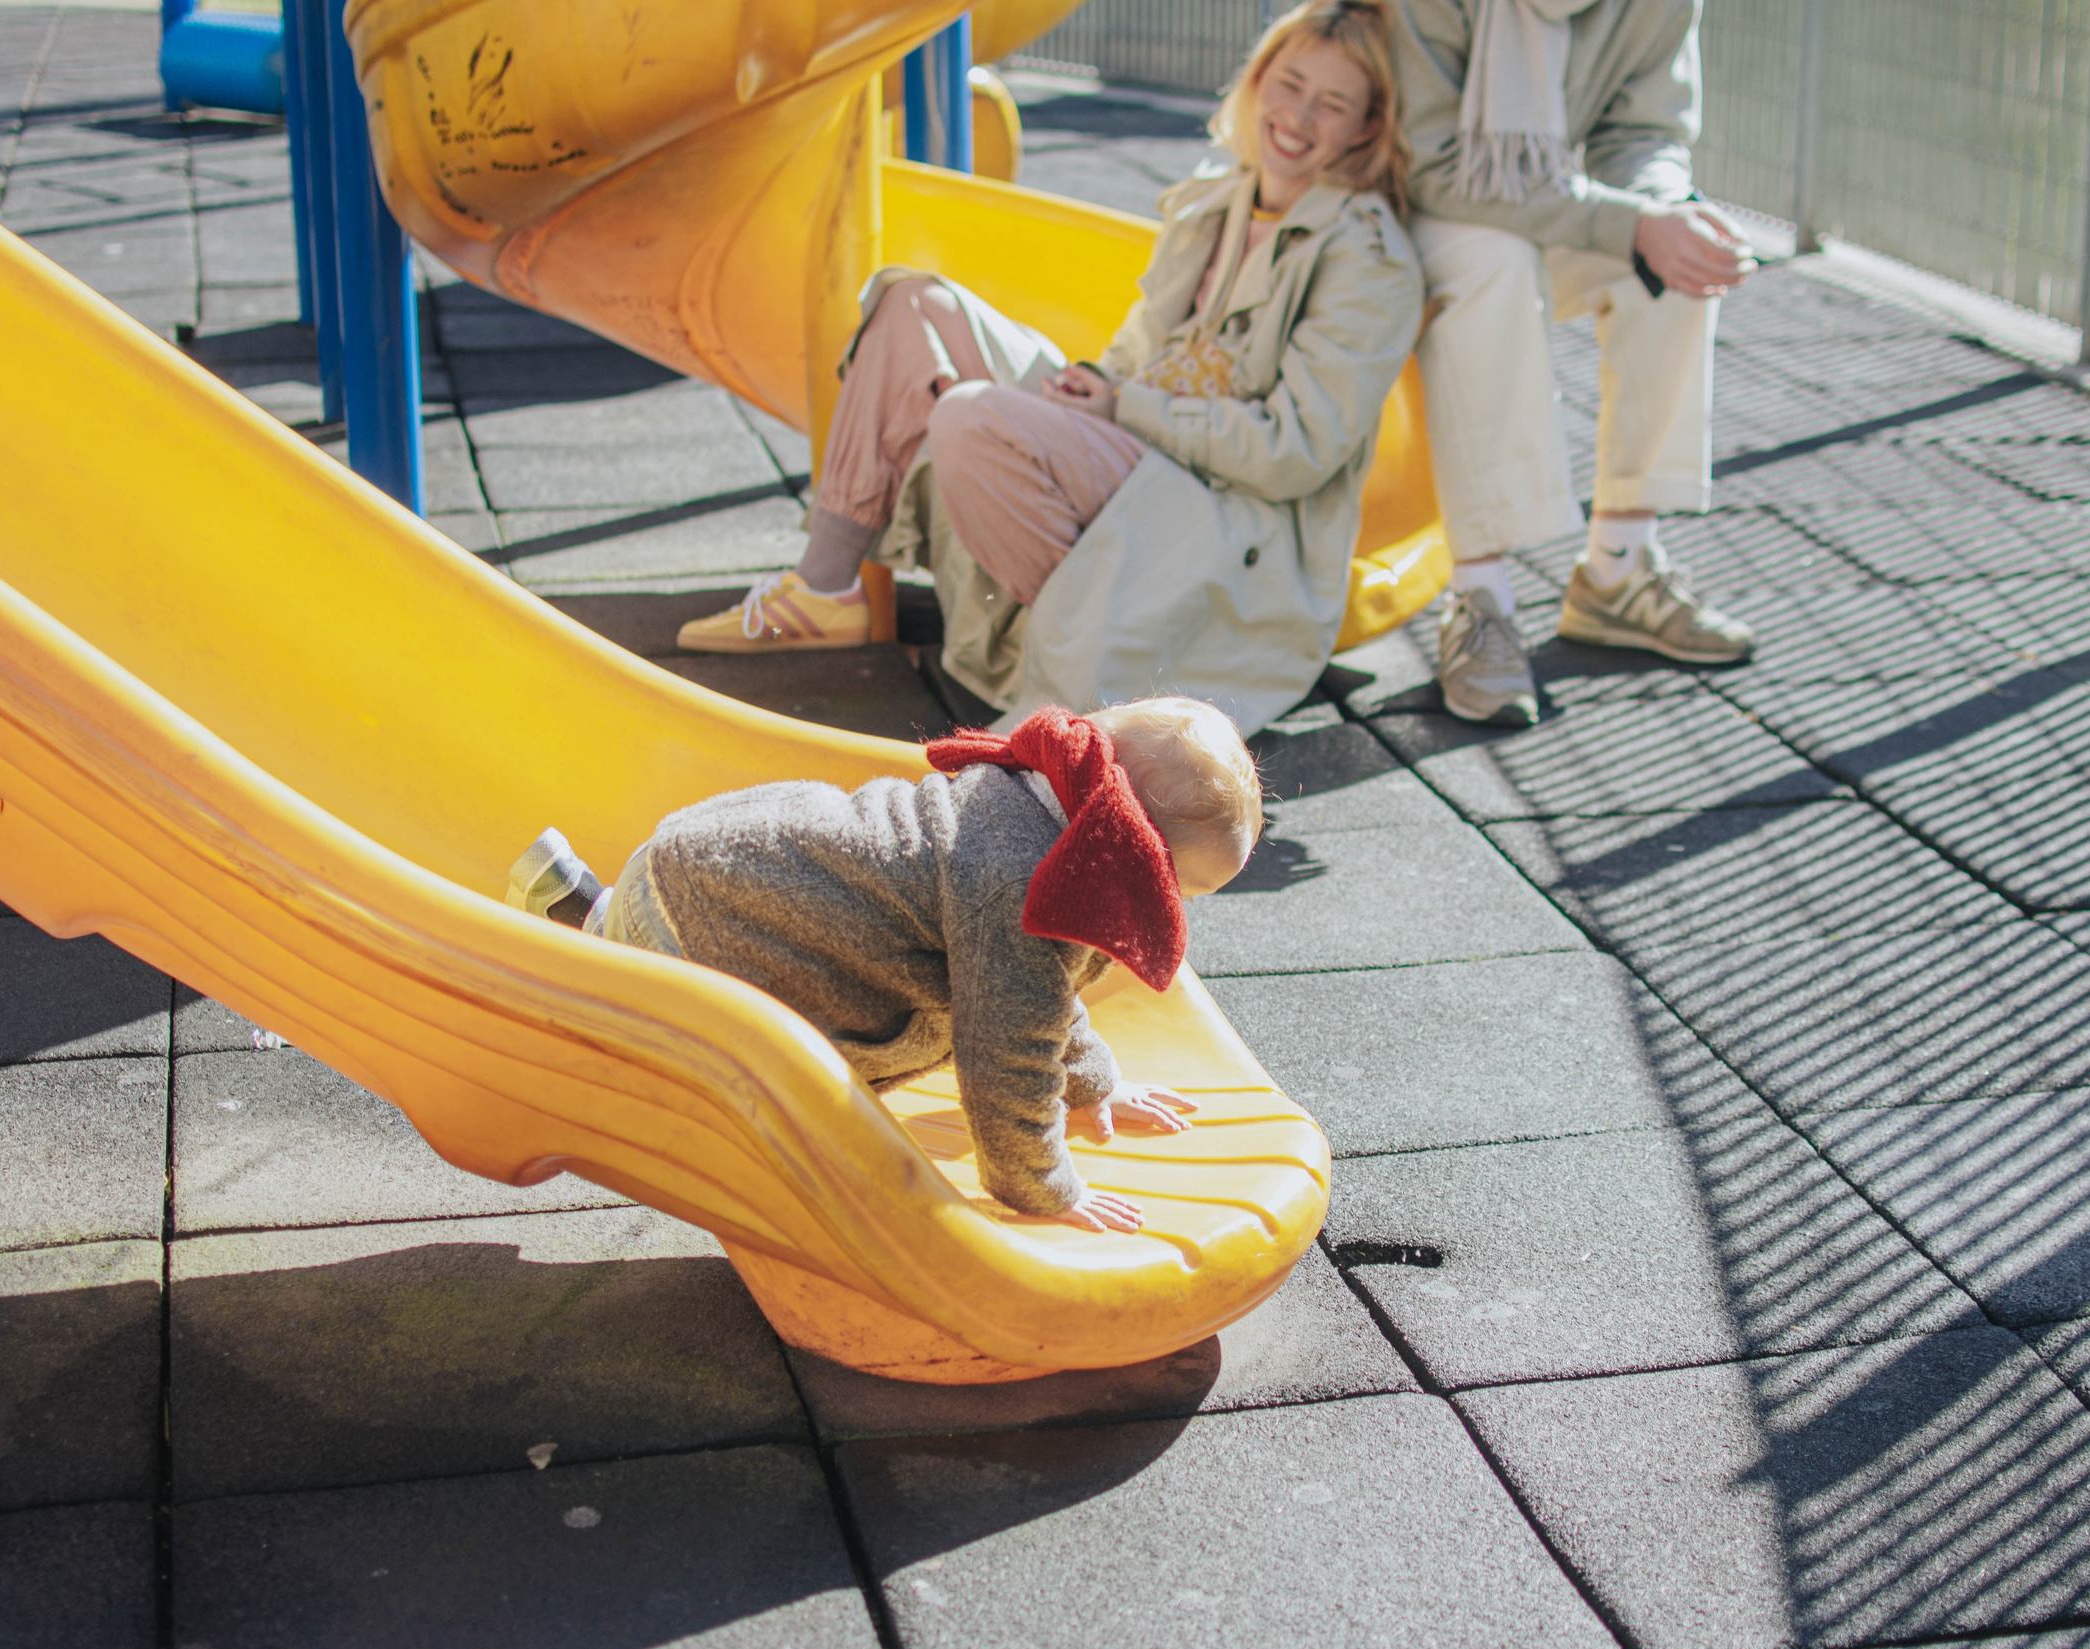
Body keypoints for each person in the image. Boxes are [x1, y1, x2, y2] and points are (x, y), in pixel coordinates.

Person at [676, 0, 1426, 738]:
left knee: (971, 417)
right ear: (1259, 79)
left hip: (1219, 512)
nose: (1298, 117)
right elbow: (1144, 350)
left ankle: (1083, 629)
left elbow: (1293, 453)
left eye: (1332, 104)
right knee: (914, 302)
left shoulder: (1366, 258)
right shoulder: (1219, 203)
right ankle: (825, 587)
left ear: (1366, 127)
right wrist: (1096, 386)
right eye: (1290, 84)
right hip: (1142, 443)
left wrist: (1121, 405)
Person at [504, 698, 1263, 1233]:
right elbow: (1009, 1049)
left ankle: (579, 901)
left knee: (853, 933)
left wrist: (1095, 1080)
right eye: (1177, 887)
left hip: (692, 865)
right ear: (1131, 844)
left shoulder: (1032, 801)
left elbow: (1043, 990)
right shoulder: (1021, 882)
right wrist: (1045, 1189)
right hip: (699, 936)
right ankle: (582, 963)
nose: (1173, 909)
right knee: (855, 1040)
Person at [1387, 0, 1760, 724]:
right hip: (1410, 219)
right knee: (1495, 262)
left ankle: (1619, 570)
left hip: (1547, 203)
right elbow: (1433, 168)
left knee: (1684, 258)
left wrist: (1662, 211)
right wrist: (1628, 222)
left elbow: (1644, 133)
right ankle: (1480, 601)